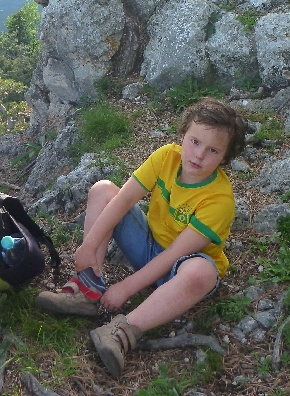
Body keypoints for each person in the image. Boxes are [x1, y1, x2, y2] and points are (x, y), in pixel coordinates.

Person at [36, 97, 246, 378]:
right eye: (194, 142)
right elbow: (123, 201)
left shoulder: (219, 200)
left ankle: (122, 330)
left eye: (213, 150)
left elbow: (174, 256)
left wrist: (125, 288)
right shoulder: (166, 157)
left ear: (224, 158)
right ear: (183, 135)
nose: (198, 155)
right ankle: (87, 291)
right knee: (103, 191)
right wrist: (88, 246)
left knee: (201, 273)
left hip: (179, 270)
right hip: (149, 247)